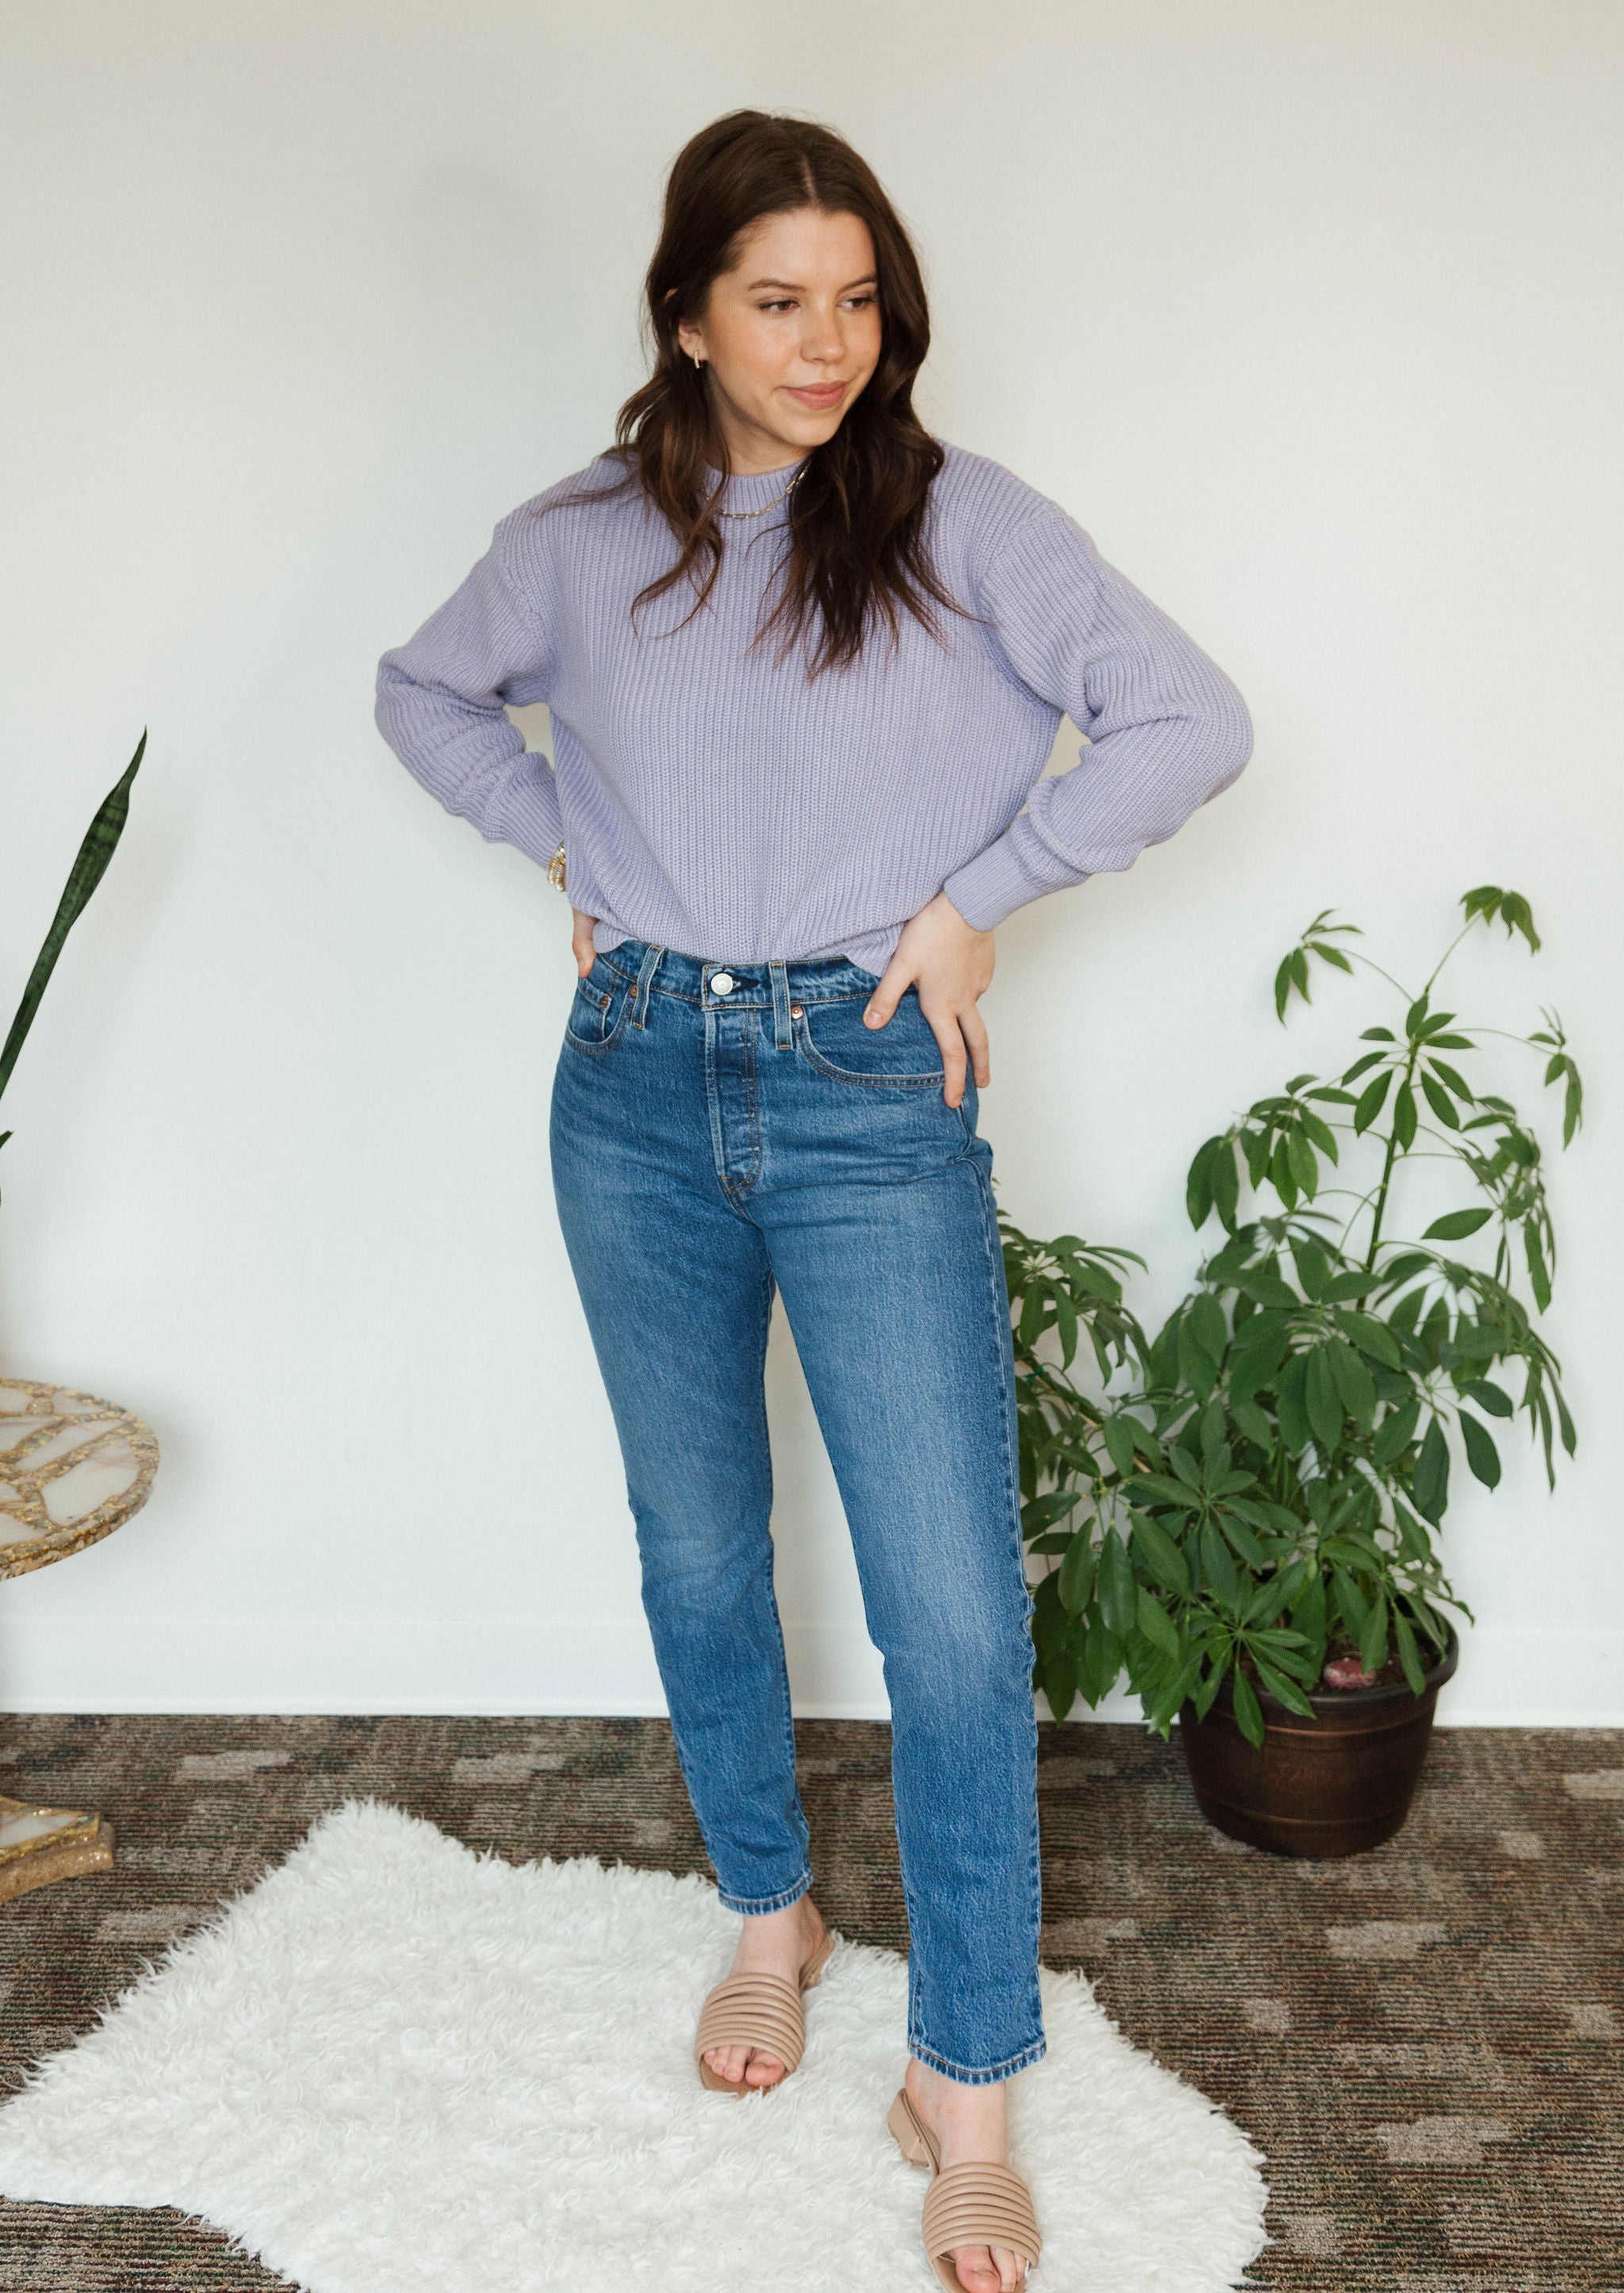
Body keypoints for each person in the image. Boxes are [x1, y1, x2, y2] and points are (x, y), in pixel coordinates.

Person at [375, 107, 1251, 2293]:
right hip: (634, 1082)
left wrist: (976, 902)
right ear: (687, 316)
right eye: (777, 301)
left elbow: (1188, 719)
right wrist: (567, 846)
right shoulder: (579, 541)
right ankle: (768, 1913)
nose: (825, 342)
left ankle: (968, 2078)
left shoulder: (963, 522)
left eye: (857, 300)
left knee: (952, 1610)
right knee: (698, 1547)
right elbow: (422, 690)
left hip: (868, 1090)